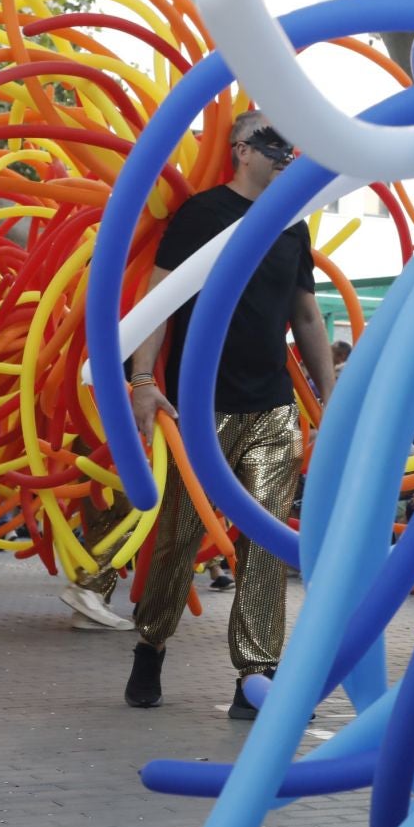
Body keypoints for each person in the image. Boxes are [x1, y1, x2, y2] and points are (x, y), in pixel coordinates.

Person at [116, 110, 336, 717]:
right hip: (199, 410)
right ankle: (151, 644)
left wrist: (329, 397)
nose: (288, 153)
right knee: (178, 541)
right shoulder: (203, 215)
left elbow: (306, 316)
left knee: (266, 542)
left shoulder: (292, 225)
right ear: (242, 149)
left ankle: (255, 674)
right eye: (275, 142)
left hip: (272, 408)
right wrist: (142, 380)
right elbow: (158, 300)